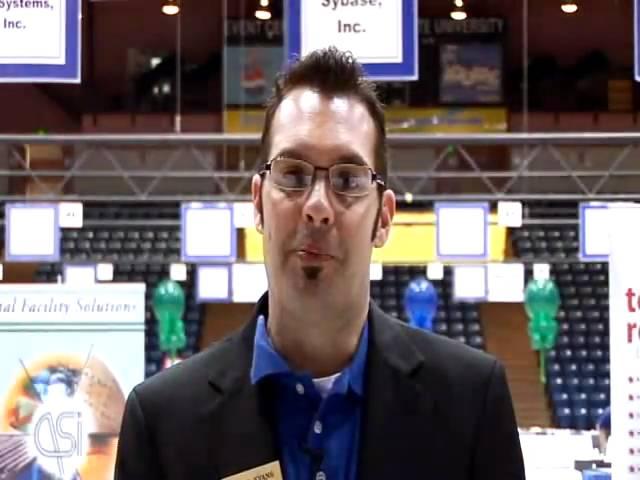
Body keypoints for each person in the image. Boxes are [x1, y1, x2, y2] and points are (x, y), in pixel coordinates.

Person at [114, 47, 526, 480]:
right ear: (258, 203)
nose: (317, 206)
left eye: (348, 179)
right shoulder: (162, 420)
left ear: (383, 218)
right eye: (292, 175)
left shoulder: (472, 403)